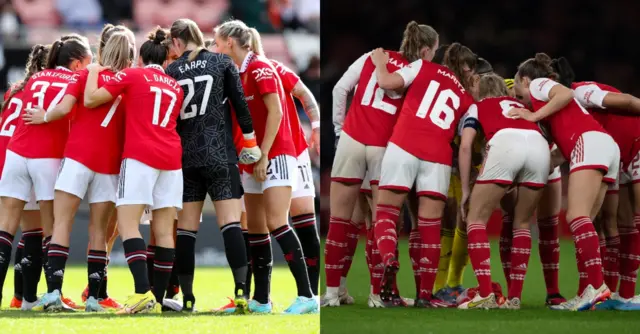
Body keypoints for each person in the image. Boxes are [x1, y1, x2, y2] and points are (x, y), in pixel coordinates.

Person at [325, 21, 437, 308]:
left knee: (340, 220)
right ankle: (379, 294)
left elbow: (340, 89)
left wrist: (340, 131)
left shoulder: (373, 56)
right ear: (425, 50)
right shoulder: (418, 73)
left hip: (351, 139)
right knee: (382, 221)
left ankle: (331, 293)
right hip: (384, 147)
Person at [24, 33, 133, 312]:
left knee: (62, 225)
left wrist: (44, 116)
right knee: (99, 232)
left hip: (77, 158)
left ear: (102, 50)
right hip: (109, 165)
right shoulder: (131, 82)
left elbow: (63, 108)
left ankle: (53, 294)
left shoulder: (85, 75)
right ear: (130, 55)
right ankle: (95, 298)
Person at [214, 19, 317, 314]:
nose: (215, 47)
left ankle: (307, 295)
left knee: (277, 222)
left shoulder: (260, 67)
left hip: (277, 154)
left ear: (230, 43)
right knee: (256, 228)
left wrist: (264, 154)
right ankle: (262, 299)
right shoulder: (237, 72)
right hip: (253, 158)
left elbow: (277, 111)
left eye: (217, 42)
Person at [83, 27, 184, 314]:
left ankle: (143, 293)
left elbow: (92, 99)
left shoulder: (133, 74)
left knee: (127, 225)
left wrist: (93, 69)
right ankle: (158, 299)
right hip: (172, 159)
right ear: (165, 59)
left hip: (140, 156)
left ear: (139, 57)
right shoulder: (174, 85)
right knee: (164, 231)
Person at [509, 53, 619, 311]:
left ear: (524, 80)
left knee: (576, 216)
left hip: (589, 142)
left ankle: (597, 286)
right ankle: (586, 292)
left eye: (517, 90)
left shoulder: (538, 85)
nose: (518, 98)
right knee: (586, 225)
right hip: (604, 146)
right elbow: (557, 156)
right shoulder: (554, 113)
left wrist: (532, 117)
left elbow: (566, 94)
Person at [370, 41, 476, 307]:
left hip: (404, 144)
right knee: (430, 227)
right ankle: (425, 295)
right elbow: (467, 143)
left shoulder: (422, 67)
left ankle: (388, 259)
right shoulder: (467, 99)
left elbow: (385, 82)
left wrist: (380, 62)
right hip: (438, 156)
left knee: (386, 213)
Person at [164, 18, 259, 314]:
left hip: (186, 158)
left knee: (187, 231)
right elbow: (241, 105)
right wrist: (252, 143)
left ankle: (188, 299)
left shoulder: (171, 70)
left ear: (177, 42)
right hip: (219, 154)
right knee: (230, 224)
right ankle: (242, 293)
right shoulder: (221, 62)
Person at [0, 35, 92, 311]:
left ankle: (25, 300)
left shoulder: (35, 78)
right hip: (48, 157)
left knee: (6, 231)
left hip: (16, 155)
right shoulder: (77, 80)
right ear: (77, 63)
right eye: (89, 59)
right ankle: (53, 296)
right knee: (53, 230)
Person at [457, 74, 550, 309]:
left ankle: (486, 294)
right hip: (539, 146)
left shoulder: (478, 107)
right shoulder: (520, 105)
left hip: (505, 142)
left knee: (475, 219)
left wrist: (466, 189)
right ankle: (515, 297)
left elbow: (466, 145)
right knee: (522, 223)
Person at [571, 80, 640, 310]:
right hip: (618, 153)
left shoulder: (579, 91)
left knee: (635, 220)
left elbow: (628, 101)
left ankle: (626, 294)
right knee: (619, 222)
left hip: (636, 144)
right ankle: (614, 293)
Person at [0, 44, 49, 310]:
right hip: (23, 157)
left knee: (5, 232)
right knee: (33, 232)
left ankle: (20, 297)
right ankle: (28, 298)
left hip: (4, 160)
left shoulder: (15, 89)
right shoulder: (43, 91)